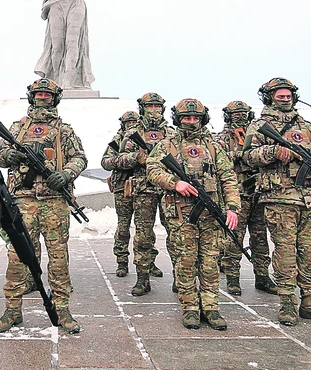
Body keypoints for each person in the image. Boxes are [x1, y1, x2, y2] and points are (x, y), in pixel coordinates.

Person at [243, 78, 311, 327]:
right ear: (269, 98)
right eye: (279, 96)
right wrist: (272, 152)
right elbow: (247, 156)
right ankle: (287, 302)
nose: (285, 98)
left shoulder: (308, 127)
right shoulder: (260, 126)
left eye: (288, 95)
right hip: (280, 199)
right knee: (286, 252)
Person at [0, 78, 87, 334]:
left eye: (47, 94)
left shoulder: (64, 130)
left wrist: (66, 175)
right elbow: (0, 155)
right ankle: (12, 310)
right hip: (22, 201)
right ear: (31, 97)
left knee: (58, 259)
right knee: (17, 258)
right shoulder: (17, 128)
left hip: (54, 203)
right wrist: (8, 156)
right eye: (39, 94)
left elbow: (80, 158)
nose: (43, 98)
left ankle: (63, 310)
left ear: (55, 98)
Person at [147, 98, 240, 330]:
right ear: (178, 120)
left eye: (195, 118)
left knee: (210, 262)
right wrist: (174, 182)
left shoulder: (213, 146)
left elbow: (228, 178)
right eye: (186, 118)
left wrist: (232, 208)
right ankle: (189, 308)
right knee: (186, 262)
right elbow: (152, 168)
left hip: (211, 214)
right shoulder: (166, 145)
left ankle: (210, 306)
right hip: (181, 216)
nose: (191, 122)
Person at [113, 93, 174, 296]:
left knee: (176, 234)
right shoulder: (132, 133)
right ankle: (142, 278)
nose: (154, 109)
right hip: (143, 190)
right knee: (143, 236)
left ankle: (180, 276)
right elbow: (117, 159)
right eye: (150, 106)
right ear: (143, 107)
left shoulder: (171, 133)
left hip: (168, 190)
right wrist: (137, 158)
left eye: (157, 106)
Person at [215, 101, 276, 296]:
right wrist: (242, 154)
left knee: (260, 238)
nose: (240, 117)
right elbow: (219, 159)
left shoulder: (257, 135)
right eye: (236, 114)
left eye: (243, 114)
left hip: (258, 193)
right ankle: (233, 278)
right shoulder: (222, 138)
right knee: (234, 239)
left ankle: (262, 276)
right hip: (237, 195)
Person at [101, 110, 140, 277]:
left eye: (134, 123)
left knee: (144, 228)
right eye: (128, 123)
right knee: (123, 227)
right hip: (122, 188)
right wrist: (125, 160)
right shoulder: (118, 141)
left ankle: (147, 262)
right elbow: (105, 162)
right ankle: (122, 261)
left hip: (142, 189)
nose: (131, 126)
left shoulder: (143, 138)